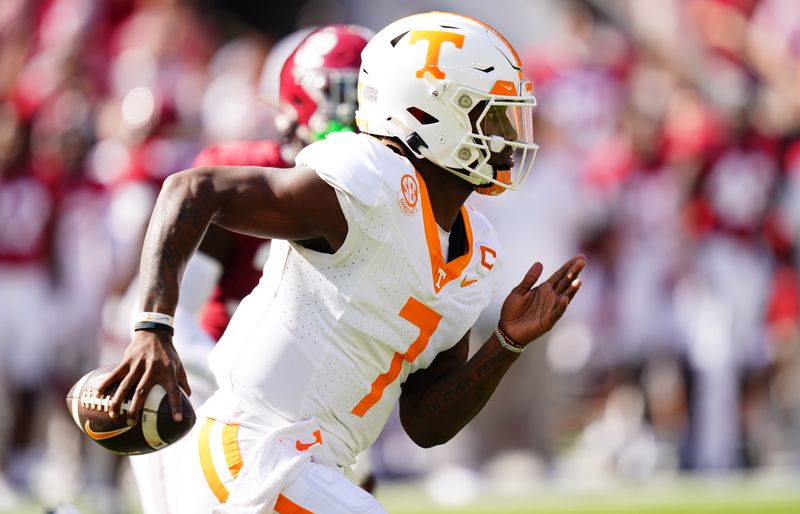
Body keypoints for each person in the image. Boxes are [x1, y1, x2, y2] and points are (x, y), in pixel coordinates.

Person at [103, 11, 585, 513]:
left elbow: (425, 423)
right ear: (435, 113)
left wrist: (505, 344)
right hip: (250, 449)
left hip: (315, 466)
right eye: (494, 116)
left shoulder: (477, 251)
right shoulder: (369, 177)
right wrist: (152, 330)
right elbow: (191, 190)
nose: (510, 137)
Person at [127, 24, 375, 514]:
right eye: (344, 92)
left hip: (303, 409)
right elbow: (181, 317)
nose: (353, 113)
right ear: (295, 98)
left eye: (367, 95)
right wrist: (248, 387)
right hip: (203, 392)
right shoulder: (244, 175)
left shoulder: (380, 196)